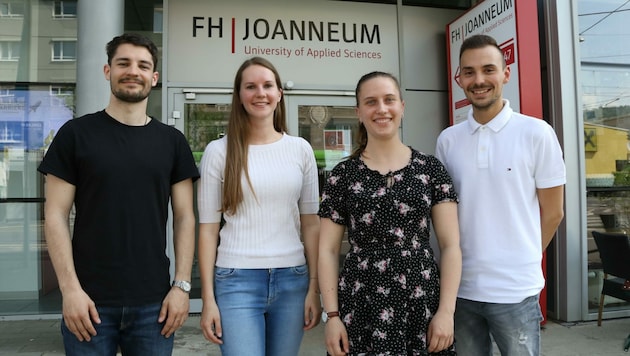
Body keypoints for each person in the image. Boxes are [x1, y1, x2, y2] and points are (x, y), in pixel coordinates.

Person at [37, 33, 199, 355]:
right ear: (107, 70)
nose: (132, 71)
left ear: (154, 77)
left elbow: (184, 218)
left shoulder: (172, 141)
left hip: (155, 304)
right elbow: (54, 215)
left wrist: (182, 286)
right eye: (123, 63)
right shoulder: (75, 135)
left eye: (143, 65)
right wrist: (69, 291)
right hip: (88, 302)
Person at [435, 34, 566, 356]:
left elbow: (553, 212)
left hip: (515, 291)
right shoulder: (448, 140)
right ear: (459, 79)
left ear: (506, 74)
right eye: (469, 72)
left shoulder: (537, 133)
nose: (479, 80)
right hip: (460, 290)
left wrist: (522, 257)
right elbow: (444, 214)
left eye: (488, 69)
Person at [318, 71, 462, 355]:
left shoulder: (430, 169)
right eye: (371, 102)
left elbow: (451, 246)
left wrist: (446, 312)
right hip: (361, 302)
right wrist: (332, 317)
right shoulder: (342, 176)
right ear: (359, 112)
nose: (381, 109)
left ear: (402, 107)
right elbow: (327, 250)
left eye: (389, 100)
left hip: (420, 302)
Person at [197, 56, 321, 355]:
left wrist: (314, 288)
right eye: (250, 86)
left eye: (267, 85)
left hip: (292, 279)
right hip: (236, 280)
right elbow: (208, 230)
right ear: (239, 96)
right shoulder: (218, 151)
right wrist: (208, 299)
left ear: (280, 93)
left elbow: (312, 223)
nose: (260, 93)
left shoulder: (300, 149)